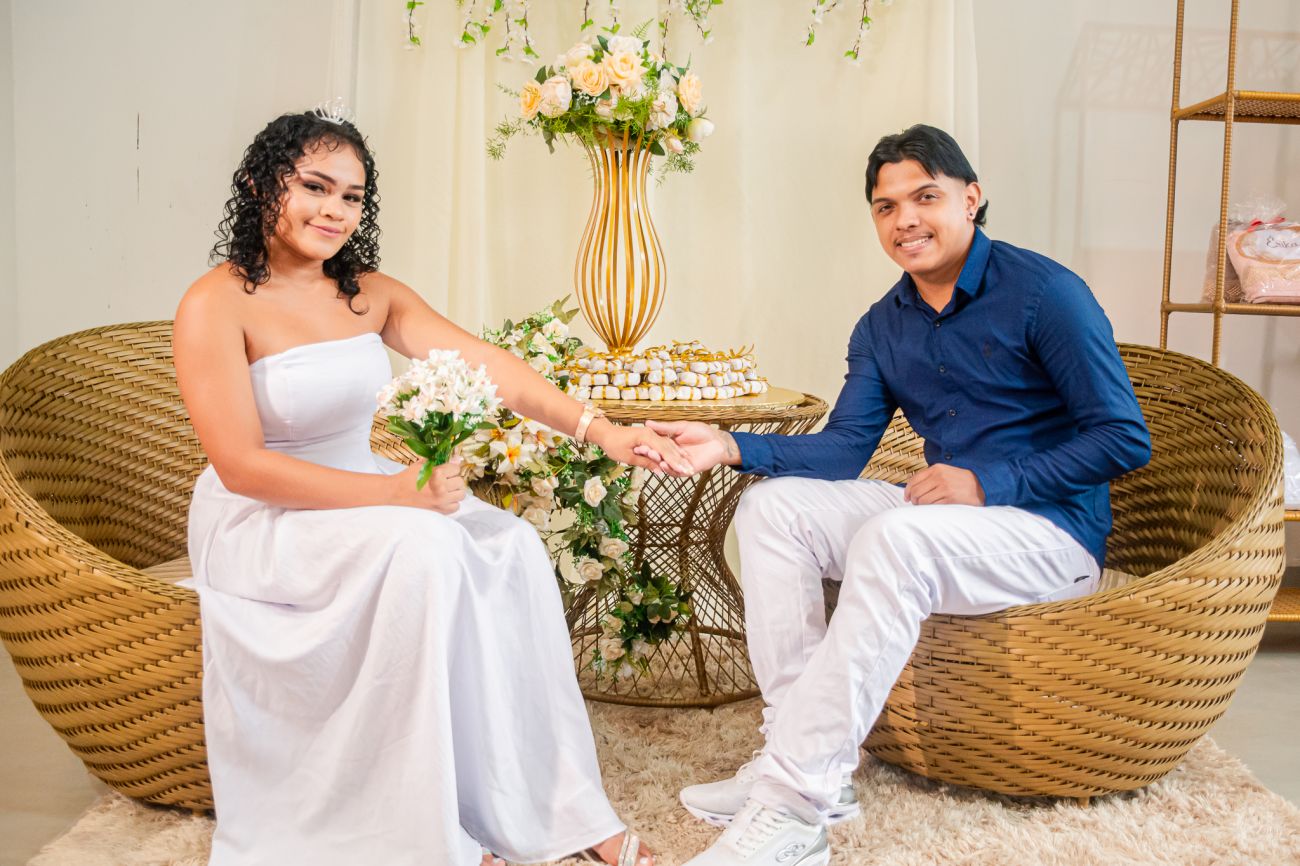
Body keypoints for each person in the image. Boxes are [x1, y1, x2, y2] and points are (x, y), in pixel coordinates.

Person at [173, 105, 687, 866]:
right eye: (315, 186)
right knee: (427, 547)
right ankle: (426, 833)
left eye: (352, 196)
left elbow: (489, 365)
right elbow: (241, 465)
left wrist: (602, 430)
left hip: (366, 489)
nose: (334, 210)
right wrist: (394, 497)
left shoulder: (368, 293)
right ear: (260, 183)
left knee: (511, 544)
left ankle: (557, 810)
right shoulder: (213, 302)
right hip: (263, 517)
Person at [647, 125, 1152, 866]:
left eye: (925, 198)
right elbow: (845, 449)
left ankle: (794, 808)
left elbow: (1123, 438)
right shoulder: (882, 325)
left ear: (970, 199)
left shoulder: (1047, 294)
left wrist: (986, 482)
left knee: (893, 537)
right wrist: (728, 445)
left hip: (1049, 534)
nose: (905, 220)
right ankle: (797, 752)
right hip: (947, 525)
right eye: (886, 207)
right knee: (771, 509)